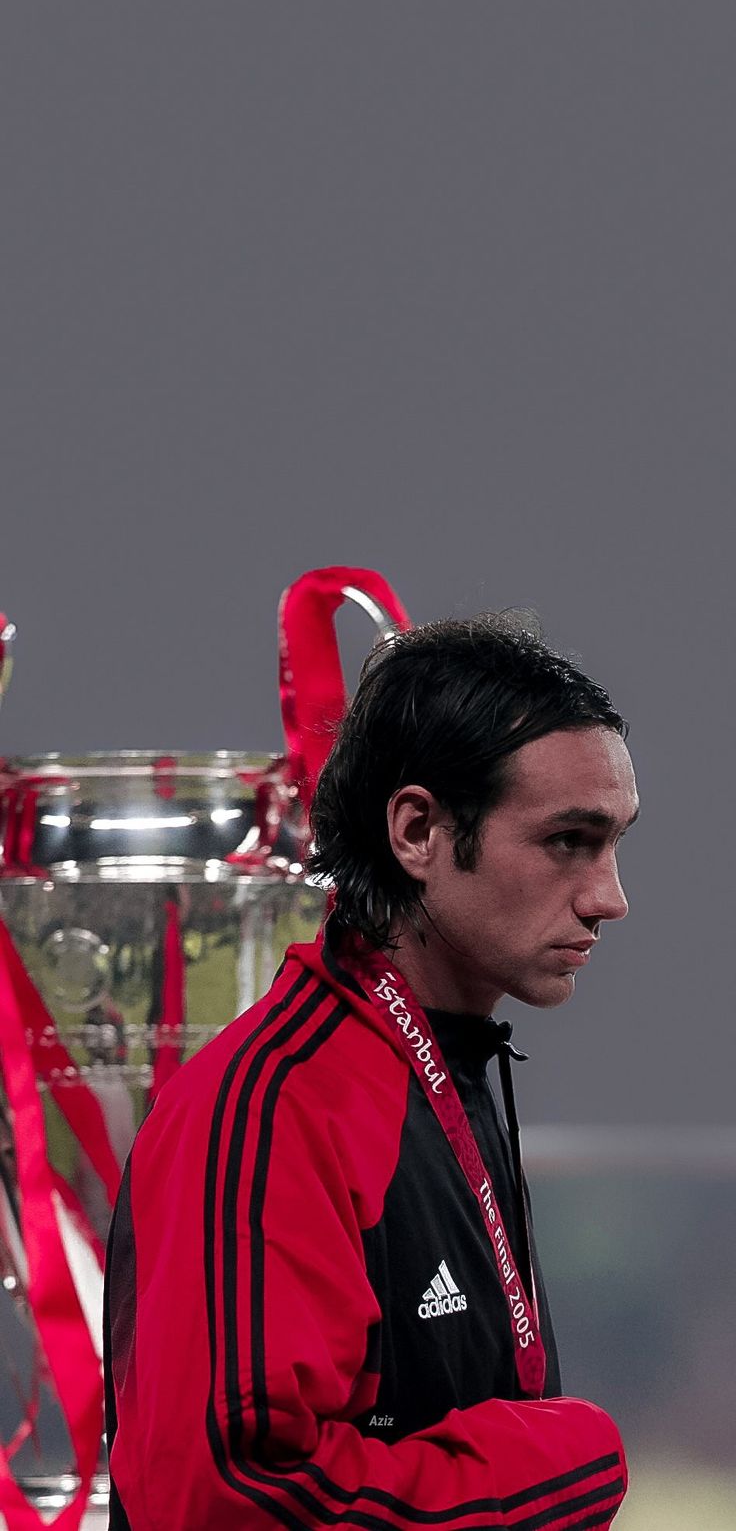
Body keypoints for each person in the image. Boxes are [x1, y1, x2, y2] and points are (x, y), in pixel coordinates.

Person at [103, 614, 639, 1529]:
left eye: (615, 844)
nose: (609, 898)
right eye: (568, 842)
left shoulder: (450, 1067)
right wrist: (563, 1470)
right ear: (419, 830)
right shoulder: (278, 1102)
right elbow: (231, 1497)